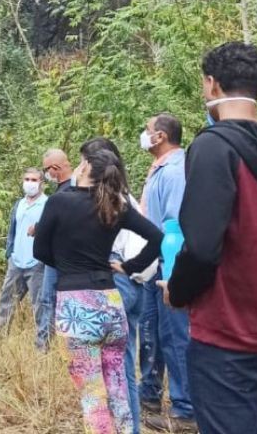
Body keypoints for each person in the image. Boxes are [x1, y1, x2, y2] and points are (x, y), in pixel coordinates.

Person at [165, 42, 257, 434]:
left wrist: (177, 293)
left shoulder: (214, 147)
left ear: (212, 85)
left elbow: (201, 247)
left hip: (230, 329)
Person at [34, 145, 163, 434]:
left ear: (85, 168)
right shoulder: (115, 205)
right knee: (116, 386)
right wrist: (130, 267)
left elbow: (39, 249)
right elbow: (156, 236)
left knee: (92, 395)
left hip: (76, 307)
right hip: (110, 303)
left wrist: (68, 264)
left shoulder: (58, 203)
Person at [80, 136, 158, 434]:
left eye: (84, 161)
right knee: (121, 367)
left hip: (118, 284)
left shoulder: (109, 203)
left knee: (114, 370)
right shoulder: (122, 197)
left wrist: (126, 267)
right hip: (132, 285)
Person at [136, 113, 195, 432]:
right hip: (151, 265)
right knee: (151, 335)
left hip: (167, 267)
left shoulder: (175, 172)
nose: (143, 136)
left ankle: (185, 411)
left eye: (146, 131)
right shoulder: (159, 169)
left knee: (174, 338)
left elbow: (174, 227)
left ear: (159, 137)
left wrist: (172, 276)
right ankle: (150, 398)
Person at [0, 167, 47, 347]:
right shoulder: (19, 204)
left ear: (42, 183)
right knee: (6, 301)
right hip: (16, 262)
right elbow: (13, 230)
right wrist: (10, 253)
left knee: (40, 306)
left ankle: (42, 347)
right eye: (27, 179)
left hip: (37, 264)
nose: (30, 183)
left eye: (34, 180)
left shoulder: (48, 205)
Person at [35, 147, 75, 351]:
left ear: (56, 168)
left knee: (48, 300)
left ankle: (43, 347)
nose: (45, 175)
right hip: (61, 256)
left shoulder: (68, 192)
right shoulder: (71, 189)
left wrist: (40, 228)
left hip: (60, 258)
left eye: (46, 170)